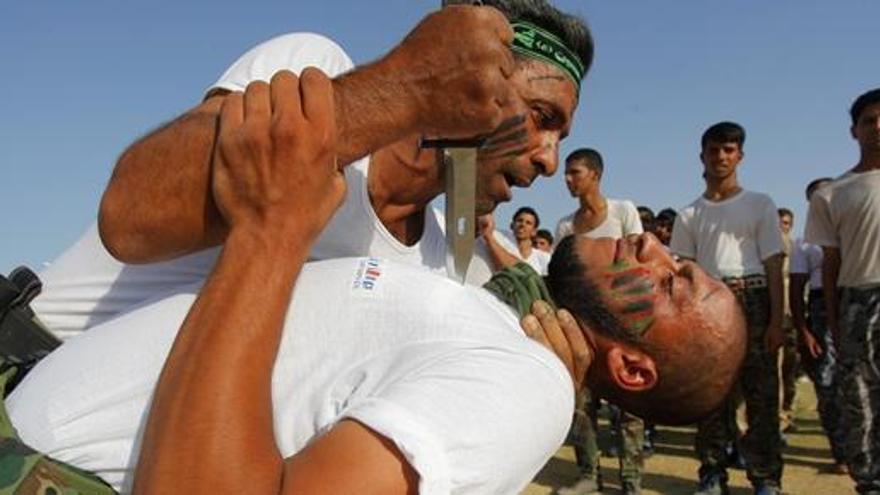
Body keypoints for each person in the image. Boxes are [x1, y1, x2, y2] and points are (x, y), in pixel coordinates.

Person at [7, 71, 748, 494]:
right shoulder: (508, 332)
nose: (654, 245)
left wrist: (269, 231)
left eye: (675, 281)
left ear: (633, 364)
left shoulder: (526, 388)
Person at [30, 1, 592, 338]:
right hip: (28, 386)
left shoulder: (446, 268)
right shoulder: (313, 72)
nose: (548, 160)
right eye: (542, 118)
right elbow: (133, 215)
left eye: (561, 139)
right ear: (474, 76)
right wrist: (405, 86)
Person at [670, 121, 785, 495]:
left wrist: (775, 321)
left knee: (762, 395)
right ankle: (712, 472)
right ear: (701, 156)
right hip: (709, 303)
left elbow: (772, 265)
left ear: (740, 156)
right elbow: (683, 273)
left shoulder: (760, 204)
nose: (721, 156)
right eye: (714, 149)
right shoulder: (689, 215)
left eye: (729, 149)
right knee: (712, 394)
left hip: (753, 297)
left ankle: (766, 477)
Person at [555, 148, 646, 495]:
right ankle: (589, 475)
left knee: (630, 406)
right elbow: (563, 275)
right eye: (567, 173)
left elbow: (637, 264)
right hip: (583, 326)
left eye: (575, 172)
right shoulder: (566, 226)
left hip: (623, 323)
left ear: (595, 175)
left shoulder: (623, 212)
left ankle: (630, 481)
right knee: (582, 404)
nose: (567, 179)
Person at [804, 88, 880, 494]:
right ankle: (869, 481)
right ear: (854, 130)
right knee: (859, 398)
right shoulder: (833, 193)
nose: (878, 127)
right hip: (857, 301)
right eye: (869, 120)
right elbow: (829, 265)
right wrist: (833, 318)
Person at [789, 177, 846, 473]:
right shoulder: (804, 243)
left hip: (857, 298)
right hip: (822, 308)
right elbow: (797, 287)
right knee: (827, 383)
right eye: (816, 197)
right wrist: (803, 328)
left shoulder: (858, 232)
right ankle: (842, 453)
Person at [776, 207, 800, 434]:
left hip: (794, 318)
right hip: (776, 318)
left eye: (785, 223)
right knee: (774, 370)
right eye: (779, 223)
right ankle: (779, 418)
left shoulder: (798, 249)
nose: (781, 227)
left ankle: (788, 411)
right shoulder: (769, 249)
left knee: (790, 370)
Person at [482, 206, 552, 275]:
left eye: (528, 223)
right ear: (512, 225)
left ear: (534, 231)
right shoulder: (499, 242)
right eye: (519, 220)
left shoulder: (544, 258)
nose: (523, 224)